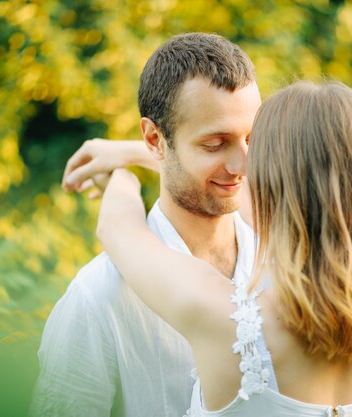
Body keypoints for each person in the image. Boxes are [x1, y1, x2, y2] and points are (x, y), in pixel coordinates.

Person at [96, 80, 352, 417]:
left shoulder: (229, 323)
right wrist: (142, 152)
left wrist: (122, 175)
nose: (241, 169)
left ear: (274, 186)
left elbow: (117, 227)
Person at [31, 33, 261, 417]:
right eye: (215, 144)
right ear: (155, 139)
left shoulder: (284, 258)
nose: (242, 165)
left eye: (252, 138)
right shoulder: (98, 298)